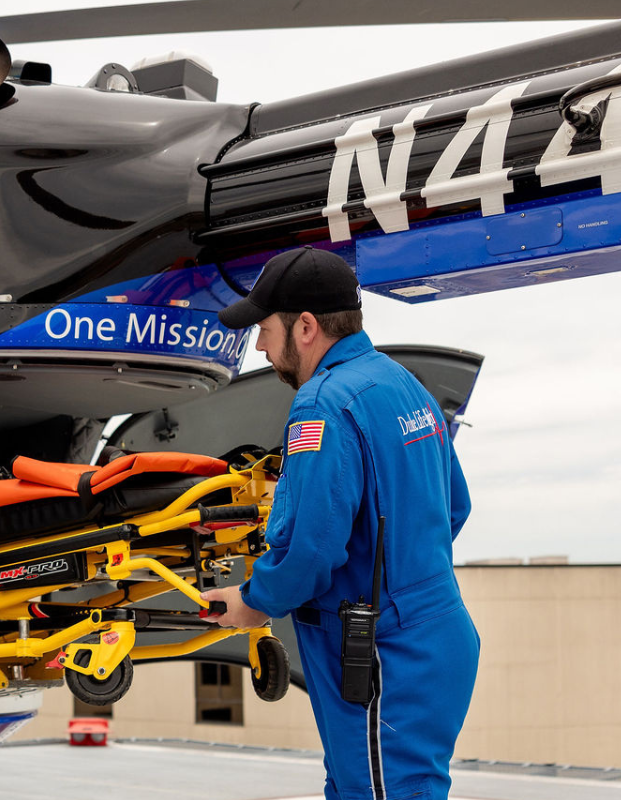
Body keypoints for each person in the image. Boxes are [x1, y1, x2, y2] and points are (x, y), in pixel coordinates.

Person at [201, 248, 478, 800]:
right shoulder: (403, 384)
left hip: (379, 656)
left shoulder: (322, 405)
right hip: (431, 635)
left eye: (264, 328)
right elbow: (453, 506)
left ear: (304, 327)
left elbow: (309, 551)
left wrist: (252, 601)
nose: (259, 345)